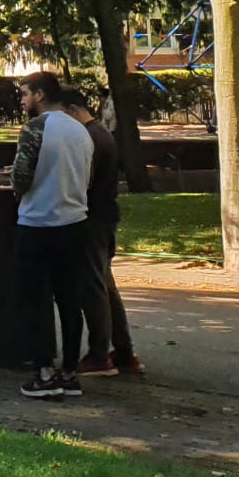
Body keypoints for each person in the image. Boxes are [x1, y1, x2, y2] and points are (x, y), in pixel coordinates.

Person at [11, 71, 96, 400]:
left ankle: (44, 371)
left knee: (35, 299)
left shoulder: (35, 128)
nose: (22, 100)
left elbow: (21, 175)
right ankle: (71, 371)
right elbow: (87, 178)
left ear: (40, 95)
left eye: (25, 93)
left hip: (37, 223)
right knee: (70, 300)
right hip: (74, 222)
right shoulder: (81, 131)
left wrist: (17, 192)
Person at [63, 89, 142, 377]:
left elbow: (85, 180)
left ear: (72, 110)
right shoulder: (99, 134)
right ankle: (123, 351)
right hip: (103, 218)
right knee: (105, 286)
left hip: (92, 220)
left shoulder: (89, 138)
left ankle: (99, 354)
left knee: (93, 287)